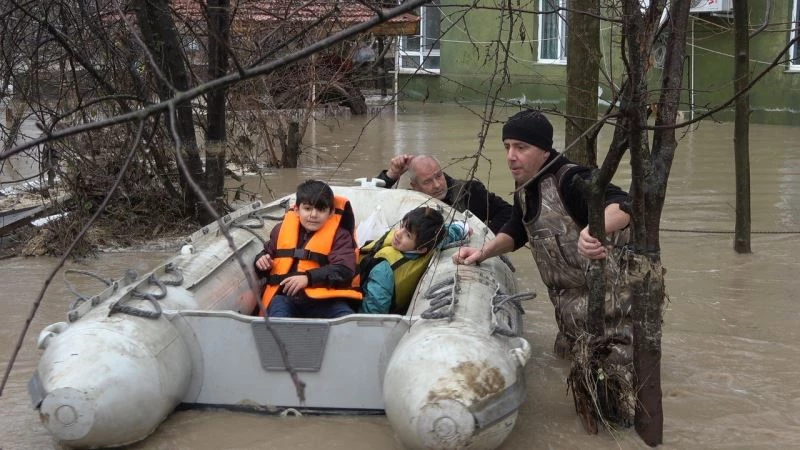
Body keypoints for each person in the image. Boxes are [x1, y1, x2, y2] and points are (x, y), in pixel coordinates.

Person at [452, 110, 634, 423]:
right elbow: (518, 229)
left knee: (613, 414)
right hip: (568, 318)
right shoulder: (526, 186)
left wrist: (595, 229)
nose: (511, 156)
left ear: (544, 151)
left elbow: (626, 204)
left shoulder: (573, 180)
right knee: (564, 369)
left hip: (608, 322)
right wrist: (482, 252)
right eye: (508, 146)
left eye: (521, 147)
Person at [254, 180, 362, 318]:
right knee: (278, 311)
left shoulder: (340, 235)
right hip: (287, 299)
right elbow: (267, 255)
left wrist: (308, 278)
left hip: (327, 300)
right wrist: (261, 261)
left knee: (346, 319)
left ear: (331, 212)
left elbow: (344, 269)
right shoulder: (280, 230)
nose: (313, 215)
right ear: (297, 210)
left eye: (321, 209)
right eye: (308, 208)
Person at [358, 207, 468, 315]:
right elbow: (448, 234)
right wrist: (463, 227)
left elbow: (373, 312)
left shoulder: (383, 271)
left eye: (408, 235)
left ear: (421, 249)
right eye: (402, 226)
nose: (398, 234)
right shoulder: (431, 245)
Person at [375, 154, 512, 235]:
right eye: (428, 181)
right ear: (414, 187)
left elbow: (508, 212)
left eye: (439, 176)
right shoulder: (409, 201)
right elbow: (373, 205)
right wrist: (391, 176)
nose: (437, 185)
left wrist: (485, 237)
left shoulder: (469, 191)